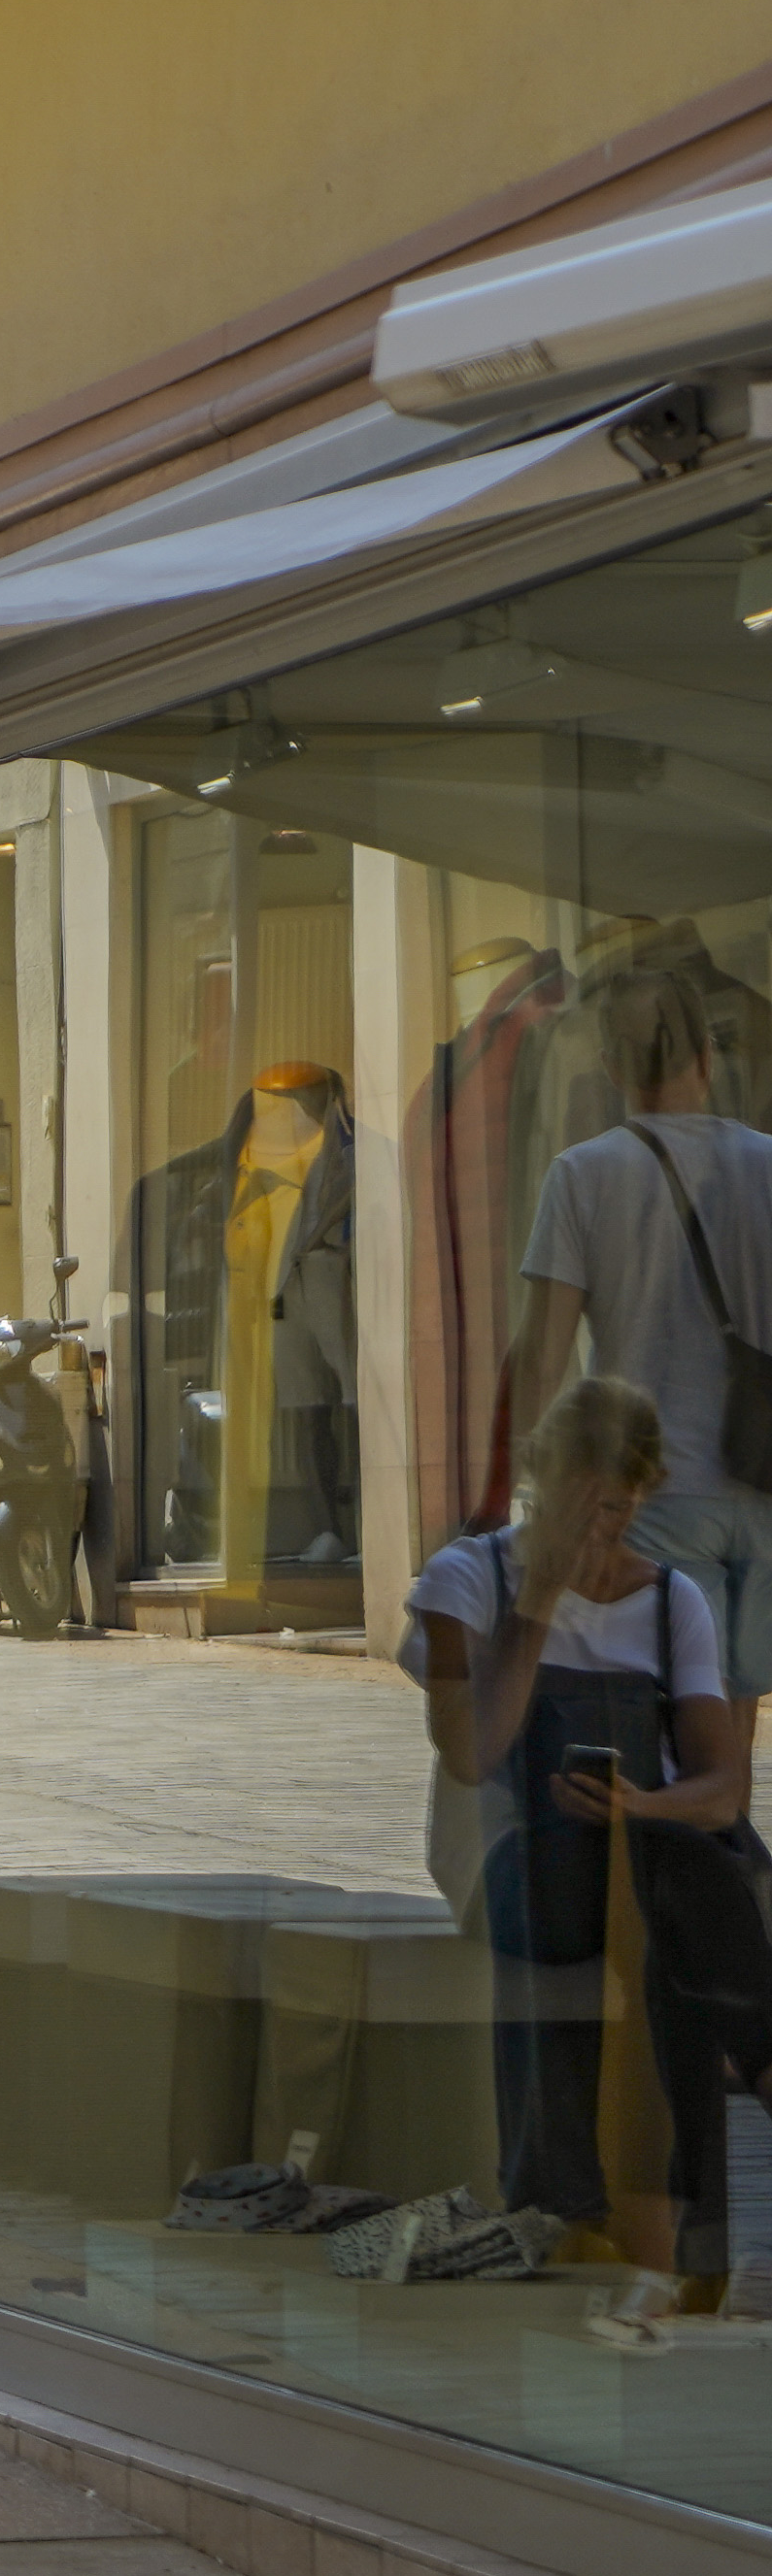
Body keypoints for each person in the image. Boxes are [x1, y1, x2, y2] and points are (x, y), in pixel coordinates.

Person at [411, 1372, 772, 2342]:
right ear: (541, 1481)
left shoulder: (673, 1603)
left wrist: (639, 1804)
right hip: (517, 1861)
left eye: (618, 1507)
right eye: (584, 1503)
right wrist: (537, 1597)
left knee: (678, 1882)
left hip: (645, 1854)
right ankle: (685, 2232)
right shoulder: (464, 1580)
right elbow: (472, 1749)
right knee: (680, 1905)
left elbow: (722, 1787)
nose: (602, 1528)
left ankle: (654, 2259)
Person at [511, 967, 772, 1690]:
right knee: (733, 1717)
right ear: (707, 1060)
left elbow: (543, 1359)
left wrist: (536, 1488)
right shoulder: (768, 1165)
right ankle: (726, 1807)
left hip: (654, 1489)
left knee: (680, 1706)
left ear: (612, 1068)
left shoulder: (581, 1176)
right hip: (765, 1481)